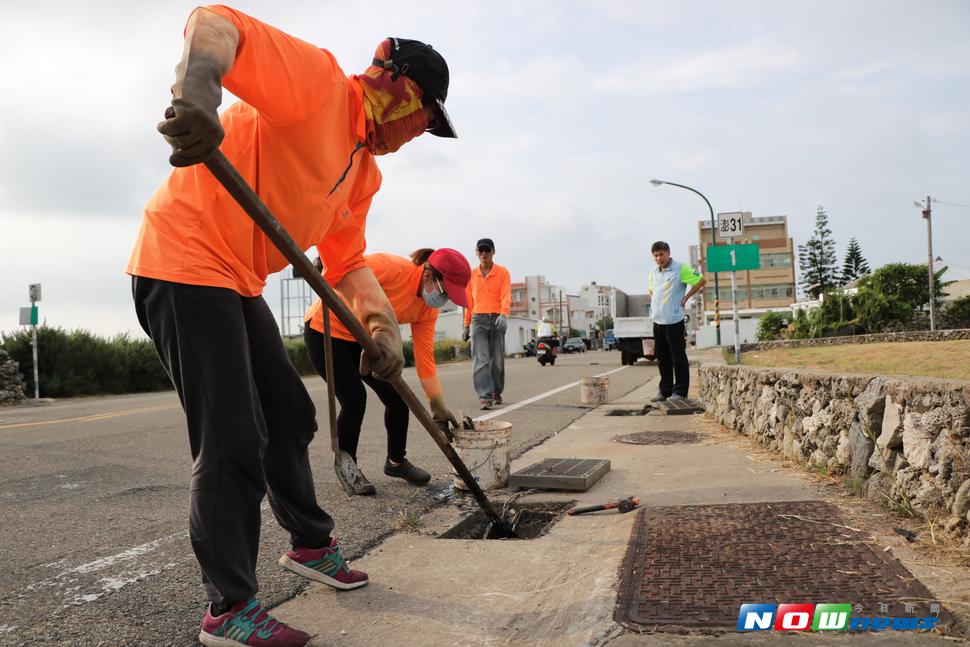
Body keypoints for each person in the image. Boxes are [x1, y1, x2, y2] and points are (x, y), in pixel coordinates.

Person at [126, 6, 456, 645]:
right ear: (398, 87)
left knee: (291, 418)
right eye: (425, 117)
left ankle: (309, 545)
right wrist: (197, 94)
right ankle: (229, 610)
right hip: (184, 260)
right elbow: (217, 24)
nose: (420, 133)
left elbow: (349, 262)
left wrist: (382, 328)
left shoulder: (363, 171)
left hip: (237, 279)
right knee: (232, 439)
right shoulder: (321, 86)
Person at [303, 249, 470, 495]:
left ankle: (396, 462)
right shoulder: (388, 267)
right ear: (427, 274)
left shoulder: (427, 309)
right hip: (325, 332)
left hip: (366, 341)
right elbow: (345, 271)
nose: (442, 301)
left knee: (398, 397)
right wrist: (327, 269)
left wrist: (437, 407)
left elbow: (426, 362)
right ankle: (349, 467)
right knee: (354, 399)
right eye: (444, 293)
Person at [646, 241, 706, 402]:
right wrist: (654, 303)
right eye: (656, 255)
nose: (659, 258)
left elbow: (701, 280)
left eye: (661, 254)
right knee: (663, 358)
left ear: (668, 253)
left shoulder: (680, 269)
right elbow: (651, 290)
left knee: (678, 357)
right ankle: (664, 391)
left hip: (674, 320)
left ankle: (680, 392)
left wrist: (686, 297)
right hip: (658, 321)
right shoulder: (653, 272)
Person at [461, 238, 511, 409]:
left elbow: (506, 295)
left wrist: (504, 314)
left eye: (487, 251)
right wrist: (466, 324)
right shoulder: (472, 275)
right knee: (480, 359)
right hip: (478, 320)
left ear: (493, 252)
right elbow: (468, 302)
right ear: (476, 253)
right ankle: (485, 395)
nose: (483, 254)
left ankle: (496, 390)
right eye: (480, 250)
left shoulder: (502, 272)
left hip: (497, 318)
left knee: (496, 360)